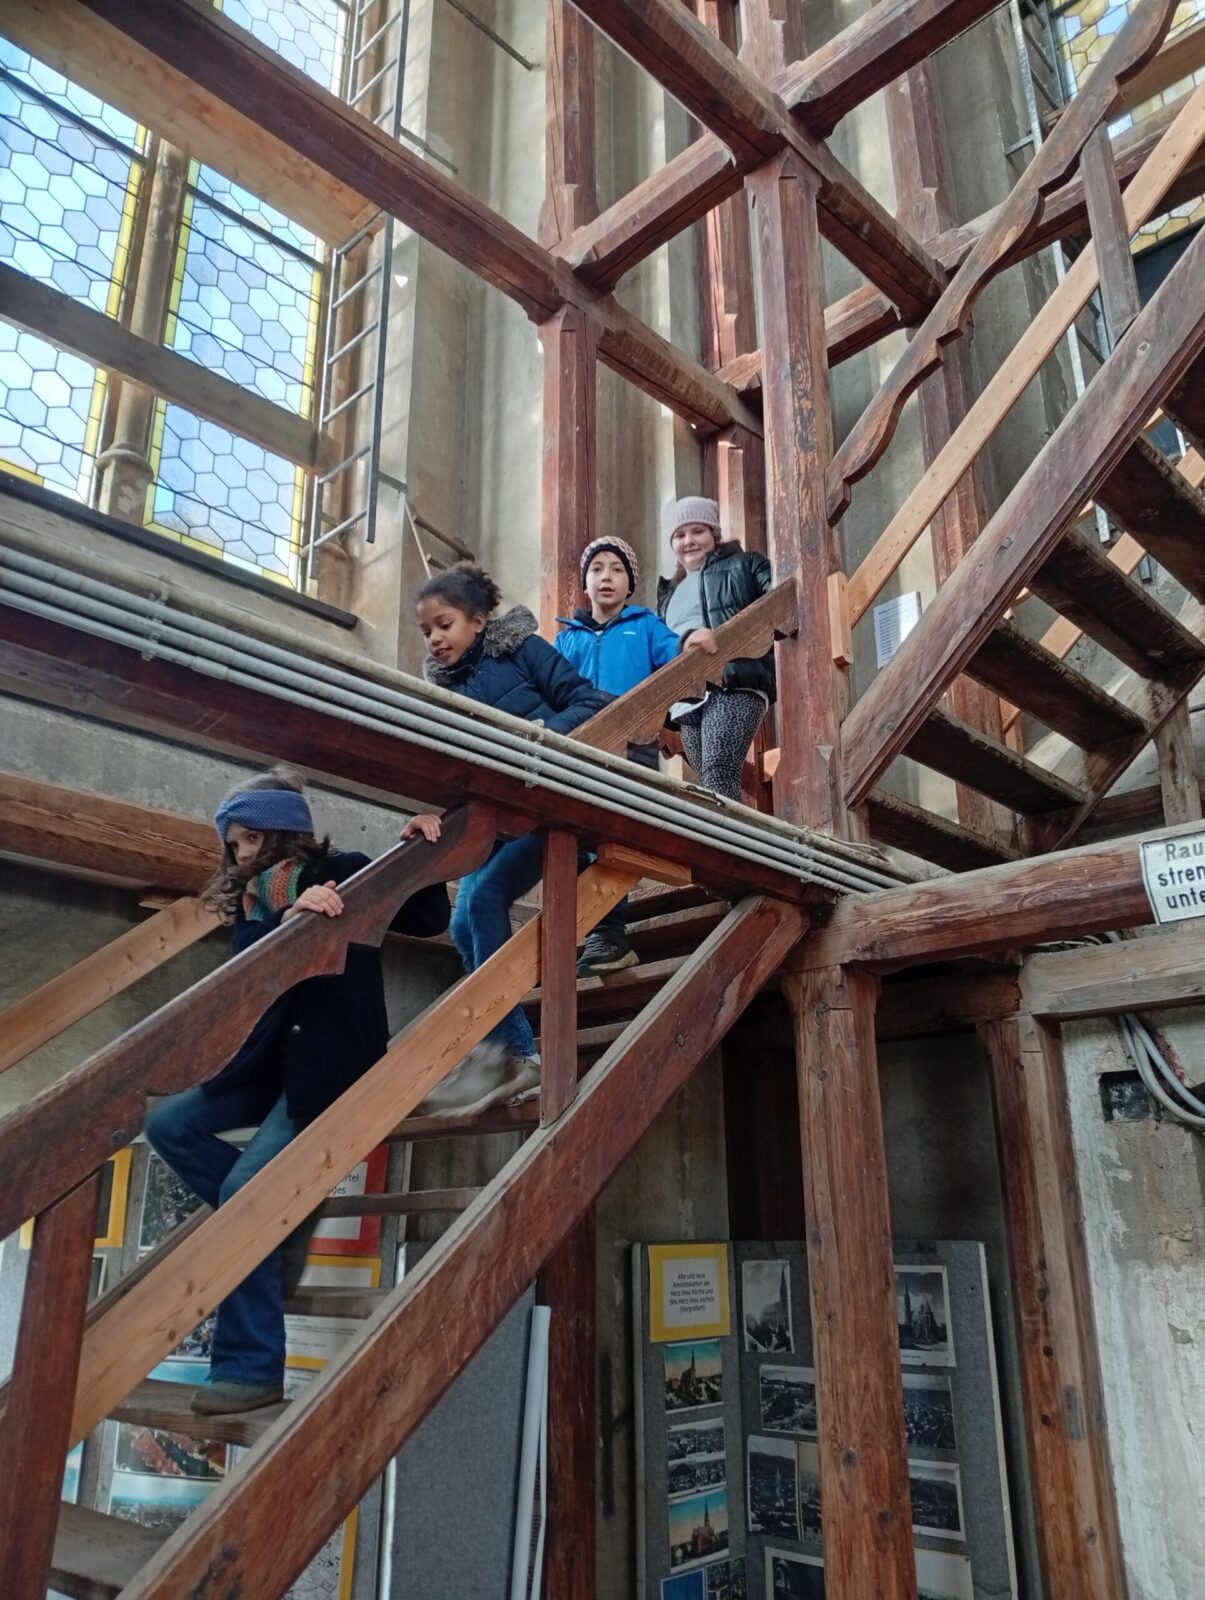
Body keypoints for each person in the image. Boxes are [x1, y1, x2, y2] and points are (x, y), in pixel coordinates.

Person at [145, 766, 450, 1416]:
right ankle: (284, 1222)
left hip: (331, 1061)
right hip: (265, 1065)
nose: (238, 854)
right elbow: (252, 966)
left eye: (249, 839)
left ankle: (250, 1368)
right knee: (169, 1125)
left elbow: (427, 917)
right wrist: (288, 920)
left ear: (283, 833)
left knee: (244, 1195)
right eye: (233, 843)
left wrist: (419, 851)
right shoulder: (257, 901)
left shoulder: (346, 870)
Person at [409, 562, 609, 1116]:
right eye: (426, 632)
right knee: (461, 924)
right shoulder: (445, 690)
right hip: (497, 818)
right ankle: (514, 1050)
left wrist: (534, 744)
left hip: (555, 806)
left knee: (487, 900)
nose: (435, 639)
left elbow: (589, 703)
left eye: (444, 624)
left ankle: (508, 1053)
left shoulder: (522, 649)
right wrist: (430, 814)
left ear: (478, 621)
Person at [555, 535, 683, 976]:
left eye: (616, 570)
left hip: (633, 744)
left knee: (616, 835)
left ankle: (609, 935)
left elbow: (678, 657)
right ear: (585, 583)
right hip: (578, 747)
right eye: (596, 569)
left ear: (630, 584)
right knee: (570, 838)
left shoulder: (646, 626)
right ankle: (586, 931)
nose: (605, 577)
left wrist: (695, 641)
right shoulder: (566, 639)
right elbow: (547, 689)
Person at [657, 496, 774, 804]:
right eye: (680, 535)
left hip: (732, 682)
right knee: (708, 783)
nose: (689, 541)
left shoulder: (745, 564)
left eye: (698, 531)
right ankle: (727, 832)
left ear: (714, 534)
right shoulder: (668, 595)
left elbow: (782, 593)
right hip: (685, 702)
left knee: (719, 773)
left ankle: (726, 837)